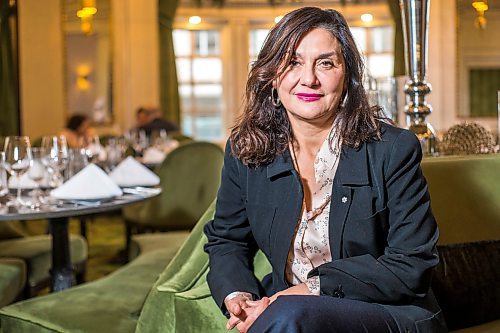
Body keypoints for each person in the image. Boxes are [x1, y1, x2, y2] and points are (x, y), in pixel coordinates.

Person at [203, 7, 447, 333]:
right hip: (287, 307)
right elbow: (226, 241)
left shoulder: (392, 150)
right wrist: (239, 297)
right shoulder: (245, 150)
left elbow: (411, 265)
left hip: (385, 310)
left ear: (348, 77)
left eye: (326, 63)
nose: (309, 78)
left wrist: (305, 292)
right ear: (272, 75)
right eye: (292, 62)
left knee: (291, 317)